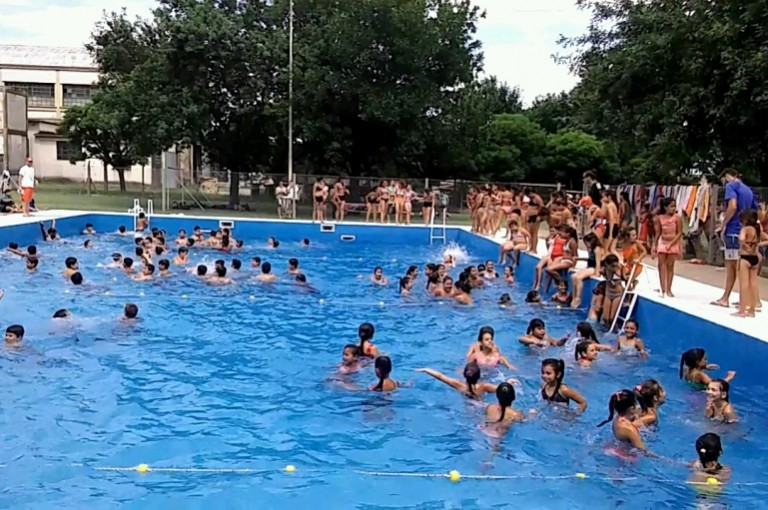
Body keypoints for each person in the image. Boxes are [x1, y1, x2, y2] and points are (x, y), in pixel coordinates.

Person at [712, 169, 758, 308]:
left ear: (727, 176)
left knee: (732, 268)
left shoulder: (731, 186)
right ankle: (749, 299)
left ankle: (725, 298)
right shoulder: (748, 190)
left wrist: (723, 224)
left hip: (733, 231)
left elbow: (732, 206)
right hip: (747, 232)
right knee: (746, 269)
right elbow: (757, 211)